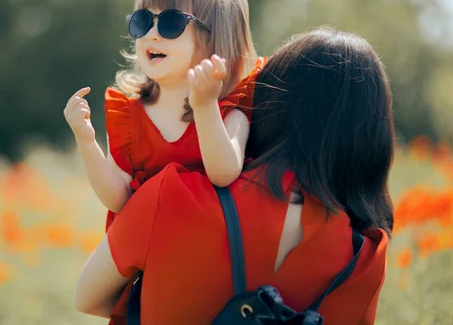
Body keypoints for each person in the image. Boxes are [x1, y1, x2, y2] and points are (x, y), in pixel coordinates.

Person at [75, 28, 395, 325]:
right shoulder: (365, 258)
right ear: (372, 140)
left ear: (268, 104)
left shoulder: (171, 194)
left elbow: (87, 298)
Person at [63, 0, 263, 233]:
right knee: (89, 278)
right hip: (141, 249)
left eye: (171, 23)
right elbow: (118, 200)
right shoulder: (127, 114)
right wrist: (86, 141)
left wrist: (204, 106)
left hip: (206, 247)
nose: (152, 35)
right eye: (143, 21)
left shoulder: (229, 109)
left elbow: (224, 172)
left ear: (215, 40)